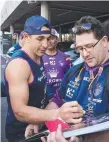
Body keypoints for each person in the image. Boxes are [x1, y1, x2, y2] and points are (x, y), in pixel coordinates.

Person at [4, 15, 84, 142]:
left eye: (48, 39)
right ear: (26, 37)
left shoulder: (37, 55)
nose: (45, 44)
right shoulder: (19, 64)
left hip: (38, 125)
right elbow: (19, 111)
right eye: (40, 39)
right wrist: (57, 113)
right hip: (22, 134)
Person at [40, 15, 109, 142]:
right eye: (80, 48)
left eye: (89, 46)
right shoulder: (74, 70)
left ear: (105, 42)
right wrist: (41, 121)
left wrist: (81, 138)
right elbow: (56, 101)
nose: (85, 54)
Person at [43, 28, 71, 99]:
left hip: (61, 97)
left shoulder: (65, 57)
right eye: (47, 39)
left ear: (57, 39)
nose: (49, 42)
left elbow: (70, 77)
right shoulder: (39, 57)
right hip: (44, 98)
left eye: (51, 38)